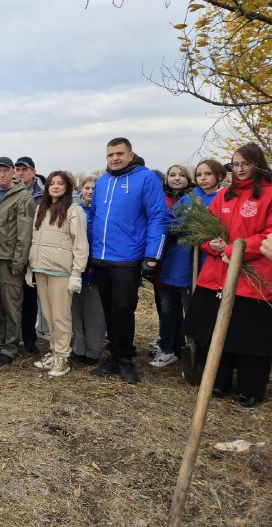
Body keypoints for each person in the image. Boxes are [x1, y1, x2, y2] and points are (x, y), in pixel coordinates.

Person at [183, 143, 272, 407]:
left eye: (246, 163)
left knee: (249, 337)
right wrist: (212, 244)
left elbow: (268, 235)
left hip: (252, 278)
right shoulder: (224, 196)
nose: (240, 169)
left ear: (258, 164)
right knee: (214, 332)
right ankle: (217, 380)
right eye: (235, 164)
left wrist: (236, 249)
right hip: (217, 274)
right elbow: (204, 231)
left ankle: (250, 387)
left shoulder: (268, 195)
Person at [88, 137, 168, 383]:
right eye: (110, 154)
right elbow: (93, 218)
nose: (115, 158)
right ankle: (114, 355)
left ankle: (125, 360)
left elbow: (157, 217)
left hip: (128, 257)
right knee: (108, 310)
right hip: (100, 257)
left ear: (130, 154)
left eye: (119, 153)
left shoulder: (146, 179)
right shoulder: (101, 182)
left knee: (123, 309)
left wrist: (152, 255)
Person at [28, 171, 89, 378]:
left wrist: (76, 273)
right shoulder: (41, 210)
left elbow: (80, 243)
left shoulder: (74, 211)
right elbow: (34, 239)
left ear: (67, 187)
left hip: (60, 271)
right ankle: (54, 351)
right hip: (41, 269)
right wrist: (30, 266)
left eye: (60, 183)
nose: (55, 187)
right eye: (52, 183)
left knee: (61, 316)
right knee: (49, 315)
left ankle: (63, 356)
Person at [0, 157, 35, 366]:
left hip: (8, 261)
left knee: (12, 306)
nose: (2, 174)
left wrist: (18, 262)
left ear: (13, 173)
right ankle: (3, 339)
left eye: (6, 171)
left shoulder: (23, 198)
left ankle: (10, 347)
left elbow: (25, 234)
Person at [148, 164, 194, 368]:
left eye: (182, 175)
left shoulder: (194, 199)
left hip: (185, 261)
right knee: (165, 306)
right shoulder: (161, 199)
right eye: (172, 175)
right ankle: (167, 343)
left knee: (183, 306)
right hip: (162, 260)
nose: (177, 179)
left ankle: (181, 344)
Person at [70, 176, 107, 365]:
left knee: (94, 312)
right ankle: (78, 347)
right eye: (87, 187)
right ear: (81, 189)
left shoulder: (102, 211)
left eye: (94, 188)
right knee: (75, 309)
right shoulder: (75, 211)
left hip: (96, 267)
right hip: (76, 268)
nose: (90, 191)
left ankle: (92, 351)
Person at [15, 156, 44, 351]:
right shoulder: (9, 191)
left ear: (33, 172)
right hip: (13, 250)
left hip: (33, 250)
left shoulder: (42, 195)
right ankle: (10, 335)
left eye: (24, 169)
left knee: (30, 296)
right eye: (17, 169)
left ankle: (30, 337)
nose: (20, 173)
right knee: (10, 297)